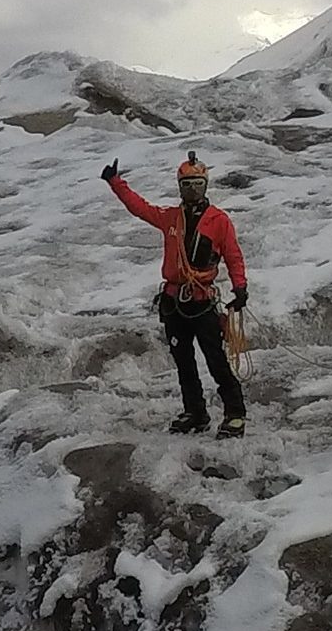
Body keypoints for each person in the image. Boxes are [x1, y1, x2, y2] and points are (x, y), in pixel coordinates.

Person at [100, 152, 250, 438]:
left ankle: (235, 413)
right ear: (180, 186)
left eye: (197, 184)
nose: (192, 190)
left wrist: (239, 287)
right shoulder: (170, 218)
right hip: (174, 302)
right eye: (187, 184)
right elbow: (140, 208)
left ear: (205, 185)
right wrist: (115, 182)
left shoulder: (219, 221)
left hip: (202, 300)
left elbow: (233, 256)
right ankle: (195, 411)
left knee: (215, 359)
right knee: (183, 361)